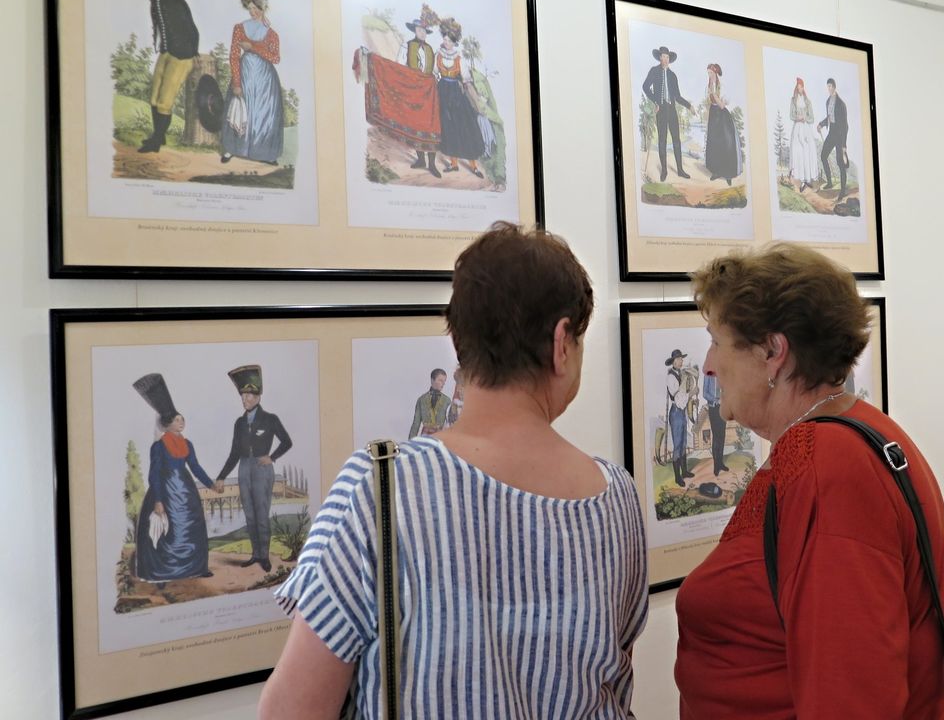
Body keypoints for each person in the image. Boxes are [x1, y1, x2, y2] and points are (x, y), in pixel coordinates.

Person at [260, 222, 648, 720]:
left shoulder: (380, 486)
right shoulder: (615, 498)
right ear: (562, 343)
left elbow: (291, 711)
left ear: (457, 339)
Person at [675, 243, 944, 719]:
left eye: (716, 341)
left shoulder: (830, 466)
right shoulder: (850, 435)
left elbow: (851, 696)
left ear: (772, 352)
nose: (707, 365)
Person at [131, 373, 219, 582]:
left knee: (194, 526)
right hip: (165, 491)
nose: (181, 422)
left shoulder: (188, 445)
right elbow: (154, 474)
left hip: (186, 490)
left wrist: (211, 484)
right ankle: (166, 572)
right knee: (170, 531)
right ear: (168, 423)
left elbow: (195, 468)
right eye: (177, 420)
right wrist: (159, 500)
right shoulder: (158, 447)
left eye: (182, 419)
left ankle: (197, 567)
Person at [214, 365, 292, 573]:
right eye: (243, 395)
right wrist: (221, 477)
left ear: (258, 397)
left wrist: (272, 457)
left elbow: (287, 442)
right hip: (243, 469)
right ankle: (255, 554)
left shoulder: (270, 419)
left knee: (261, 514)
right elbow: (233, 453)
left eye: (249, 395)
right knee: (249, 515)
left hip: (261, 469)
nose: (245, 399)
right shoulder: (239, 423)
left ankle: (264, 556)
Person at [220, 0, 285, 166]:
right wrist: (237, 82)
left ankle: (265, 153)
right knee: (240, 109)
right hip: (245, 75)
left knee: (265, 114)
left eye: (256, 8)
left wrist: (253, 48)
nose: (253, 12)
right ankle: (232, 149)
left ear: (263, 8)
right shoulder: (240, 28)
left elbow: (276, 58)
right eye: (250, 8)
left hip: (266, 80)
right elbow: (234, 56)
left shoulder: (272, 34)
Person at [140, 0, 199, 154]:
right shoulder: (155, 0)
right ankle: (160, 134)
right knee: (154, 96)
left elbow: (192, 30)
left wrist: (192, 53)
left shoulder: (176, 2)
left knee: (165, 101)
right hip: (166, 52)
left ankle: (155, 143)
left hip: (182, 56)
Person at [435, 17, 485, 178]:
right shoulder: (438, 55)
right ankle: (454, 164)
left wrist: (475, 99)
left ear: (454, 42)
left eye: (448, 40)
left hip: (456, 95)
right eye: (444, 38)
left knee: (465, 128)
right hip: (442, 92)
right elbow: (434, 74)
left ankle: (473, 166)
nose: (445, 41)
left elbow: (466, 81)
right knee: (448, 129)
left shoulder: (459, 59)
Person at [399, 16, 442, 178]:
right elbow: (401, 66)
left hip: (429, 92)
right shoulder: (407, 46)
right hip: (414, 90)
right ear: (414, 31)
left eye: (424, 31)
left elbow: (435, 71)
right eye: (419, 30)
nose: (422, 33)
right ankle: (420, 160)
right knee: (417, 124)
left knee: (431, 126)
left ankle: (431, 164)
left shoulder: (431, 50)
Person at [641, 46, 692, 181]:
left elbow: (678, 96)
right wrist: (655, 102)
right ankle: (664, 170)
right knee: (662, 140)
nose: (665, 59)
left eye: (667, 57)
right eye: (662, 56)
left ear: (669, 59)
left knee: (676, 140)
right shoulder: (654, 71)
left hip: (672, 110)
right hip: (661, 110)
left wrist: (689, 106)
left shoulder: (672, 76)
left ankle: (680, 170)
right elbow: (645, 87)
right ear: (659, 57)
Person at [702, 63, 742, 185]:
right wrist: (712, 98)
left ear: (715, 73)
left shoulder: (721, 86)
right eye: (708, 73)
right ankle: (716, 171)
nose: (709, 75)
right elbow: (709, 100)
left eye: (711, 73)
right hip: (714, 114)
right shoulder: (709, 86)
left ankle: (728, 173)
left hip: (722, 115)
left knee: (726, 143)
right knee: (715, 143)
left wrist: (715, 97)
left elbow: (723, 105)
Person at [817, 77, 849, 202]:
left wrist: (844, 144)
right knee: (823, 155)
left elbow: (846, 126)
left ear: (835, 87)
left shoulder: (841, 104)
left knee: (840, 163)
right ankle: (830, 182)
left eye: (831, 86)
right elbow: (829, 117)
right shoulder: (827, 101)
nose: (829, 89)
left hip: (840, 135)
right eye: (828, 86)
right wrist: (821, 124)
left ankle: (843, 191)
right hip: (831, 132)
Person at [665, 349, 694, 487]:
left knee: (683, 443)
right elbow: (680, 401)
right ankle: (677, 477)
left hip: (681, 413)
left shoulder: (681, 374)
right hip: (676, 412)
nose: (682, 361)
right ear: (674, 361)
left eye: (682, 359)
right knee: (677, 446)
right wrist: (692, 393)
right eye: (680, 359)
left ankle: (685, 472)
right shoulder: (671, 377)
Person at [788, 77, 820, 192]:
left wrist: (804, 118)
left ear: (803, 88)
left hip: (806, 129)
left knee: (808, 151)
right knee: (799, 152)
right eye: (798, 87)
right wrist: (798, 118)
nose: (799, 89)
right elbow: (791, 116)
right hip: (797, 128)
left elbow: (812, 118)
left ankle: (807, 179)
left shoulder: (807, 101)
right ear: (796, 88)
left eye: (801, 87)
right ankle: (801, 180)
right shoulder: (793, 100)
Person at [407, 367, 451, 438]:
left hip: (440, 438)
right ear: (432, 380)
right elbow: (416, 424)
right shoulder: (421, 400)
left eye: (444, 381)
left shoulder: (447, 401)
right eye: (440, 380)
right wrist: (410, 444)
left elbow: (450, 424)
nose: (443, 384)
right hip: (425, 437)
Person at [701, 371, 728, 476]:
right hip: (713, 407)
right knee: (716, 436)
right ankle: (716, 466)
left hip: (723, 407)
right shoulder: (708, 374)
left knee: (722, 436)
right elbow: (705, 393)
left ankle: (721, 463)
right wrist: (716, 400)